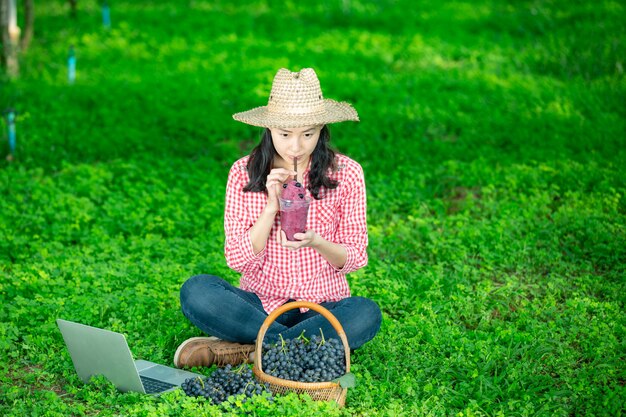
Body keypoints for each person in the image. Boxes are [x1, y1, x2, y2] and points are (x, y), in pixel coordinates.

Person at [174, 68, 382, 368]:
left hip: (320, 305)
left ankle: (250, 349)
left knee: (365, 314)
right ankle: (291, 348)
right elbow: (237, 260)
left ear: (322, 129)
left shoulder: (346, 173)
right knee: (197, 291)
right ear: (269, 129)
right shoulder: (242, 173)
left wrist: (316, 241)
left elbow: (354, 257)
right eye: (285, 134)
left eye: (308, 134)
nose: (296, 147)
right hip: (259, 302)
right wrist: (270, 208)